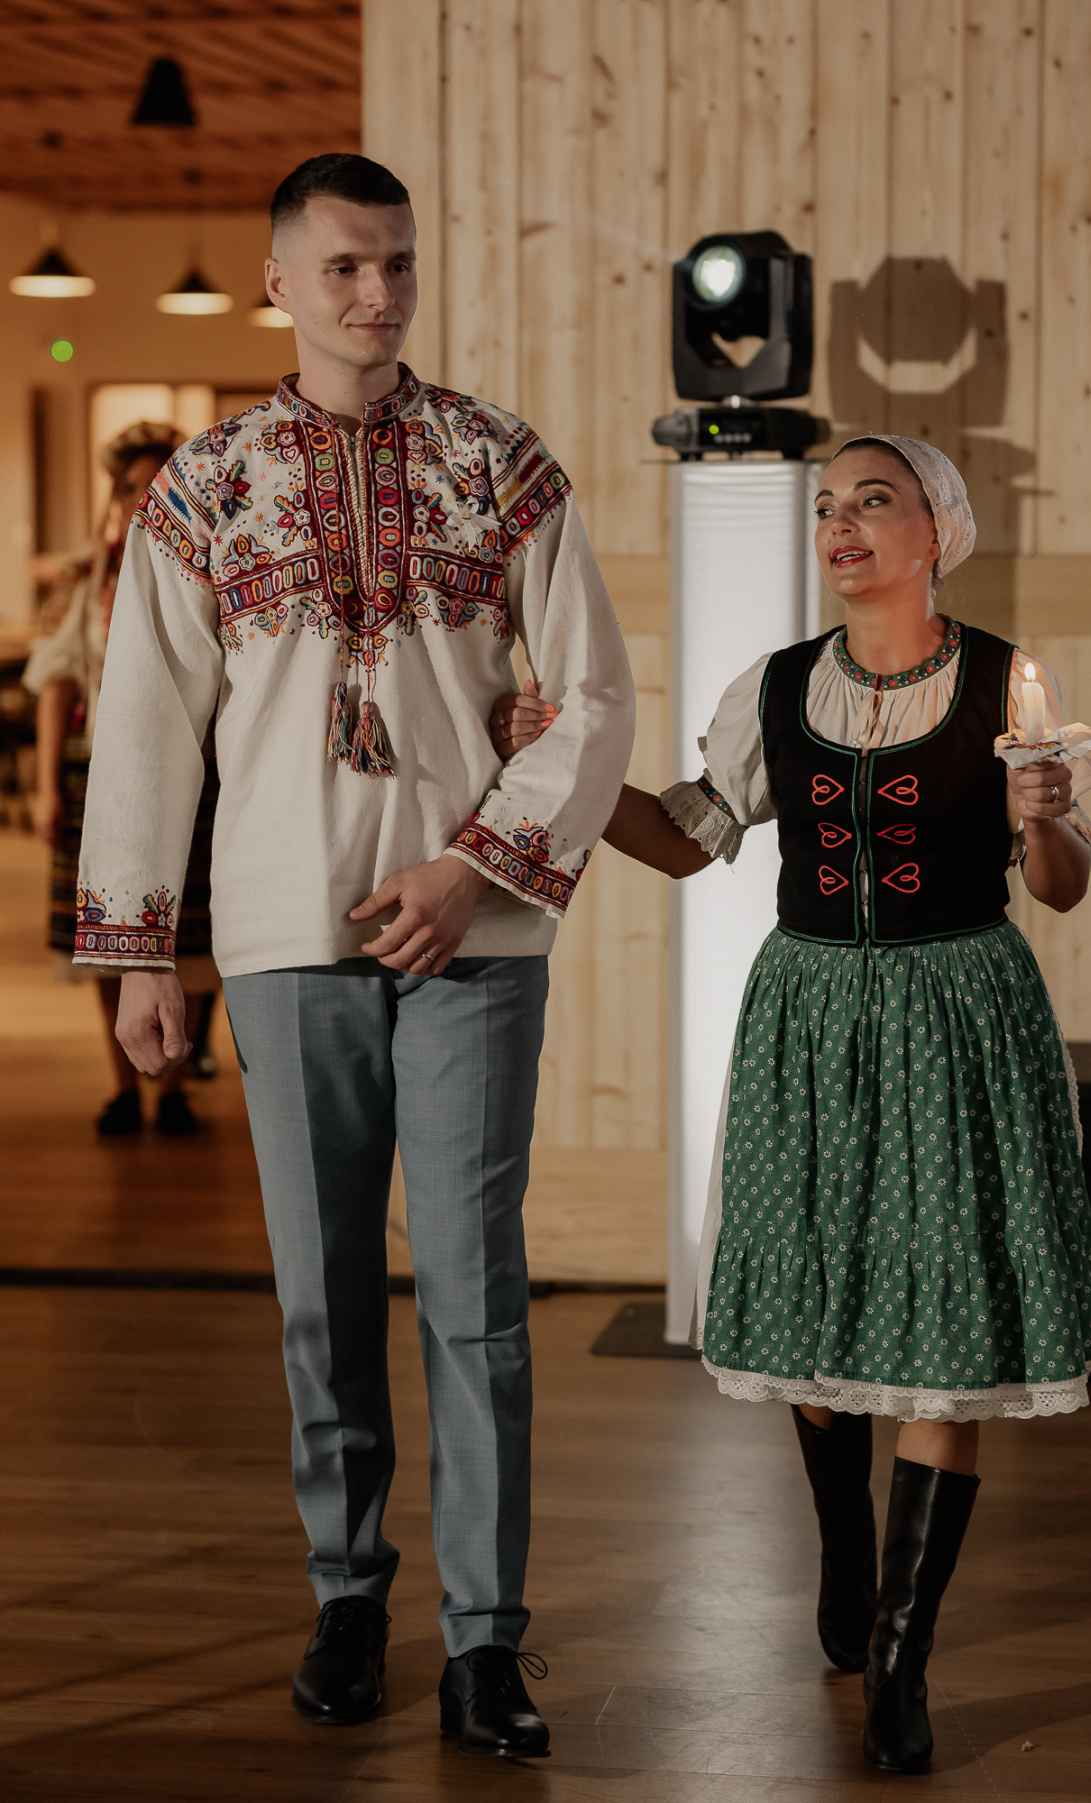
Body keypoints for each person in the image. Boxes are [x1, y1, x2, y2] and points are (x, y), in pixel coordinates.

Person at [73, 152, 634, 1752]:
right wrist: (141, 953)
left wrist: (473, 868)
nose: (376, 292)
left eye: (397, 261)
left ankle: (484, 1638)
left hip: (476, 935)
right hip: (279, 936)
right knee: (323, 1298)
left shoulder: (502, 463)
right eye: (343, 266)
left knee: (477, 1296)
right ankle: (346, 1595)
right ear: (279, 283)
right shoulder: (202, 488)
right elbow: (145, 724)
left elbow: (594, 696)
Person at [492, 434, 1091, 1775]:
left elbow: (1060, 884)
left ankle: (901, 1652)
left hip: (957, 1008)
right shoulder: (777, 687)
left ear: (936, 531)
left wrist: (1046, 808)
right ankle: (845, 1542)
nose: (841, 522)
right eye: (828, 504)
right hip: (812, 1011)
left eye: (872, 501)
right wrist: (573, 770)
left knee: (945, 1306)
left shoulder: (1006, 680)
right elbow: (688, 839)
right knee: (818, 1280)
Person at [25, 422, 218, 1136]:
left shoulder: (210, 564)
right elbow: (55, 685)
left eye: (158, 482)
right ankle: (123, 1085)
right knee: (107, 929)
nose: (146, 497)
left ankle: (175, 1085)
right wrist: (47, 787)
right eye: (134, 486)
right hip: (96, 764)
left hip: (195, 766)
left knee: (191, 935)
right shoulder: (88, 581)